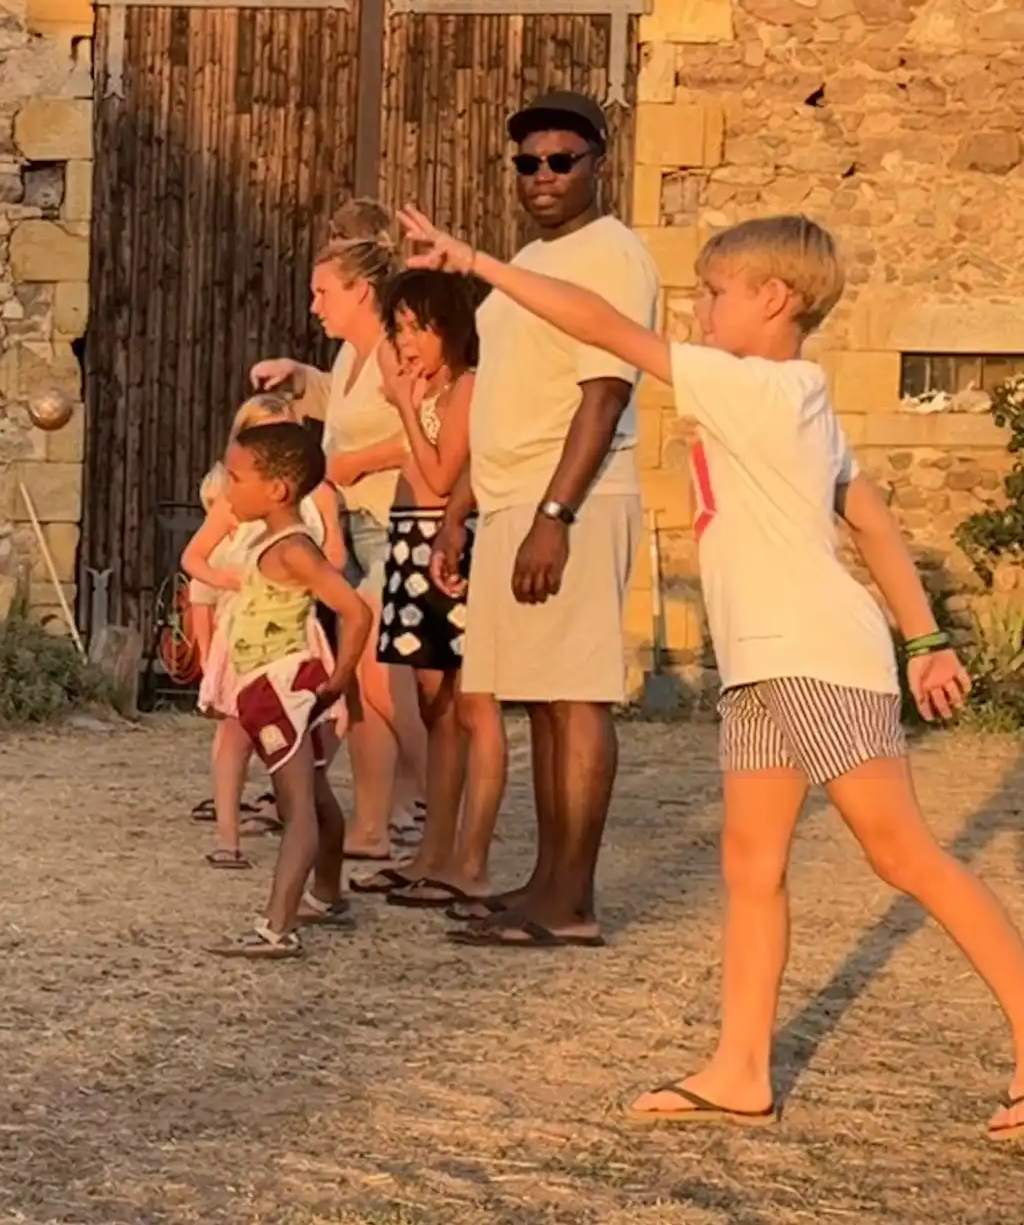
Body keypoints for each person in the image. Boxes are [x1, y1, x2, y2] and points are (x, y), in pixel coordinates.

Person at [401, 206, 1024, 1142]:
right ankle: (741, 1070)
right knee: (751, 866)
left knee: (903, 856)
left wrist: (479, 263)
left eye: (715, 293)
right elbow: (869, 518)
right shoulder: (797, 398)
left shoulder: (758, 388)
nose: (699, 311)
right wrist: (926, 637)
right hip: (762, 666)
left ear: (775, 299)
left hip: (816, 658)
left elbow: (601, 325)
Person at [421, 90, 659, 948]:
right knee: (541, 700)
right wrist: (461, 510)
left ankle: (574, 902)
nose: (543, 175)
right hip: (513, 496)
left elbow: (604, 394)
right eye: (528, 162)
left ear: (599, 166)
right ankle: (547, 882)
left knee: (576, 694)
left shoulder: (612, 255)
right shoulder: (529, 259)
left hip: (573, 498)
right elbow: (506, 397)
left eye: (562, 160)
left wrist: (555, 515)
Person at [251, 222, 428, 866]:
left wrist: (352, 464)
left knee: (379, 676)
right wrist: (298, 375)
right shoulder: (353, 358)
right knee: (359, 683)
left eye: (324, 292)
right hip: (357, 529)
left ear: (361, 292)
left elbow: (429, 428)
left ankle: (440, 791)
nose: (315, 305)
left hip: (394, 526)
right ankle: (376, 823)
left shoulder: (393, 351)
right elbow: (340, 398)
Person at [354, 269, 510, 910]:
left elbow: (444, 476)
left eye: (421, 328)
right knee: (433, 705)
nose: (408, 342)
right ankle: (432, 852)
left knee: (470, 704)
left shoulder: (467, 387)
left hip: (447, 543)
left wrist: (402, 406)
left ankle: (470, 859)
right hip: (408, 541)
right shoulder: (428, 389)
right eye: (401, 329)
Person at [204, 421, 374, 960]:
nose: (228, 489)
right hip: (268, 687)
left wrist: (340, 681)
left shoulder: (295, 549)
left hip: (281, 688)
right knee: (316, 794)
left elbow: (355, 611)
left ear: (277, 489)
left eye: (236, 479)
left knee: (296, 807)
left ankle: (277, 927)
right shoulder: (272, 541)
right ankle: (327, 895)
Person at [185, 394, 345, 868]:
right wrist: (229, 581)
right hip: (246, 628)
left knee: (317, 727)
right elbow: (194, 558)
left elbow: (337, 558)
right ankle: (228, 836)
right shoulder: (232, 504)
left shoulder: (318, 500)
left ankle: (293, 815)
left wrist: (308, 571)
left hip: (296, 629)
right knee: (235, 731)